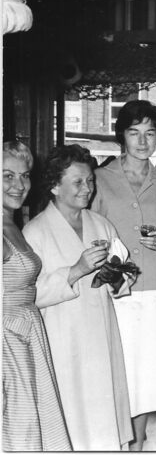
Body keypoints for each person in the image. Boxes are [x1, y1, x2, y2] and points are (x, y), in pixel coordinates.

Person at [23, 144, 133, 450]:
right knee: (72, 422)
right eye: (78, 182)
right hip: (63, 341)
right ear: (55, 186)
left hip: (101, 337)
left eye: (90, 181)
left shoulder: (101, 225)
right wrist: (76, 270)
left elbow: (123, 278)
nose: (88, 189)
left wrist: (116, 277)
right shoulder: (35, 232)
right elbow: (29, 294)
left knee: (103, 420)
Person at [92, 100, 156, 451]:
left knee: (149, 380)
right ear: (122, 135)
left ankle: (137, 446)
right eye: (134, 132)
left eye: (150, 133)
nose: (142, 141)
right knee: (116, 372)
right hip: (114, 293)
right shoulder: (99, 180)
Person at [2, 141, 71, 451]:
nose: (19, 185)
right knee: (20, 432)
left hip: (24, 335)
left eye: (25, 175)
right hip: (7, 343)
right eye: (8, 176)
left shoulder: (11, 222)